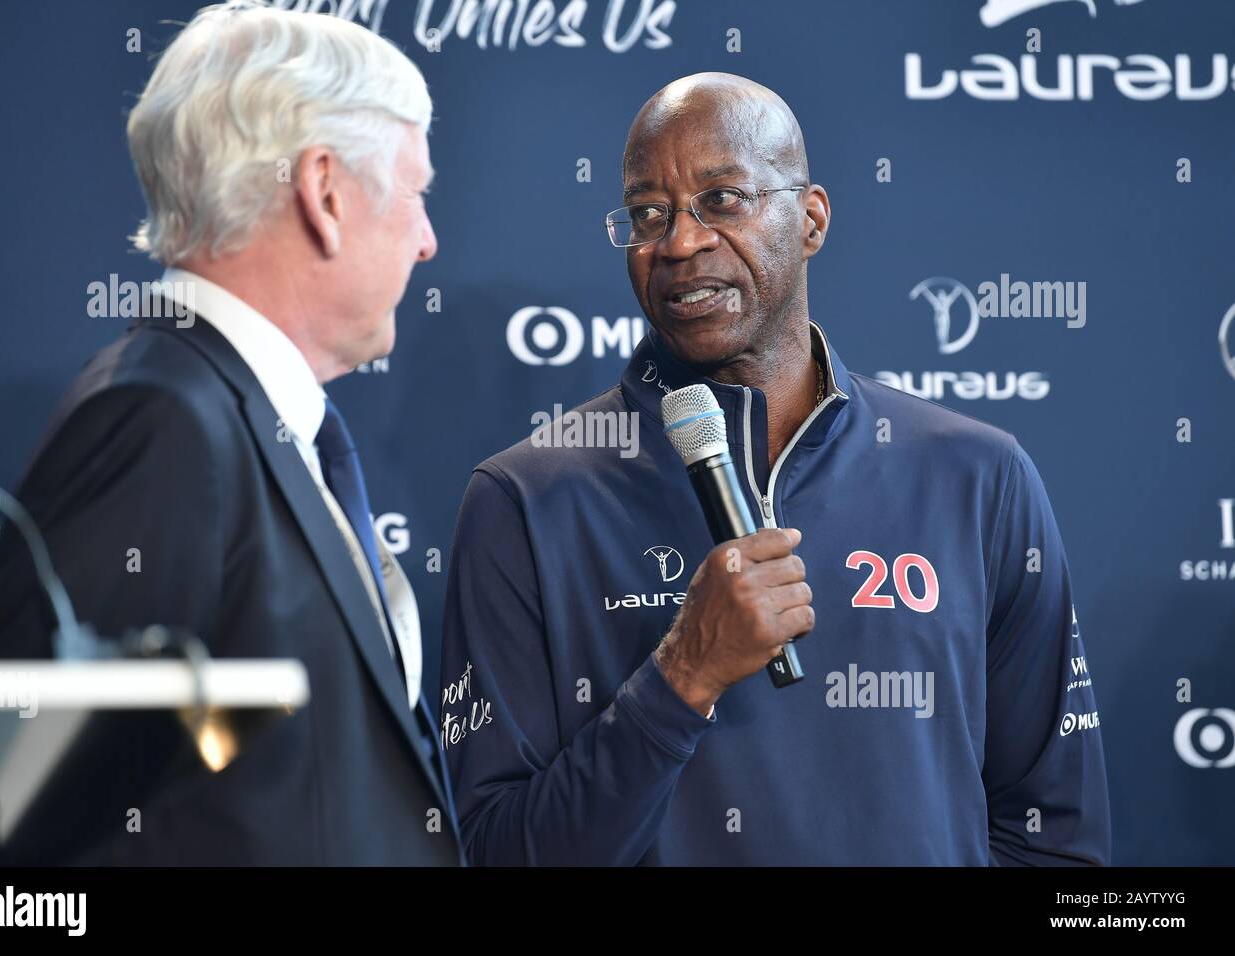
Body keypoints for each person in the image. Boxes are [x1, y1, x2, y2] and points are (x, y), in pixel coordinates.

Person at [440, 72, 1109, 865]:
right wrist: (684, 673)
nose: (680, 242)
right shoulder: (526, 498)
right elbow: (493, 851)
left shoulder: (976, 474)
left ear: (812, 218)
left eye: (723, 199)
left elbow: (1055, 839)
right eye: (649, 213)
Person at [0, 2, 461, 865]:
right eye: (416, 192)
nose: (427, 241)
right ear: (324, 192)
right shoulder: (158, 422)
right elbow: (36, 840)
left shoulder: (228, 412)